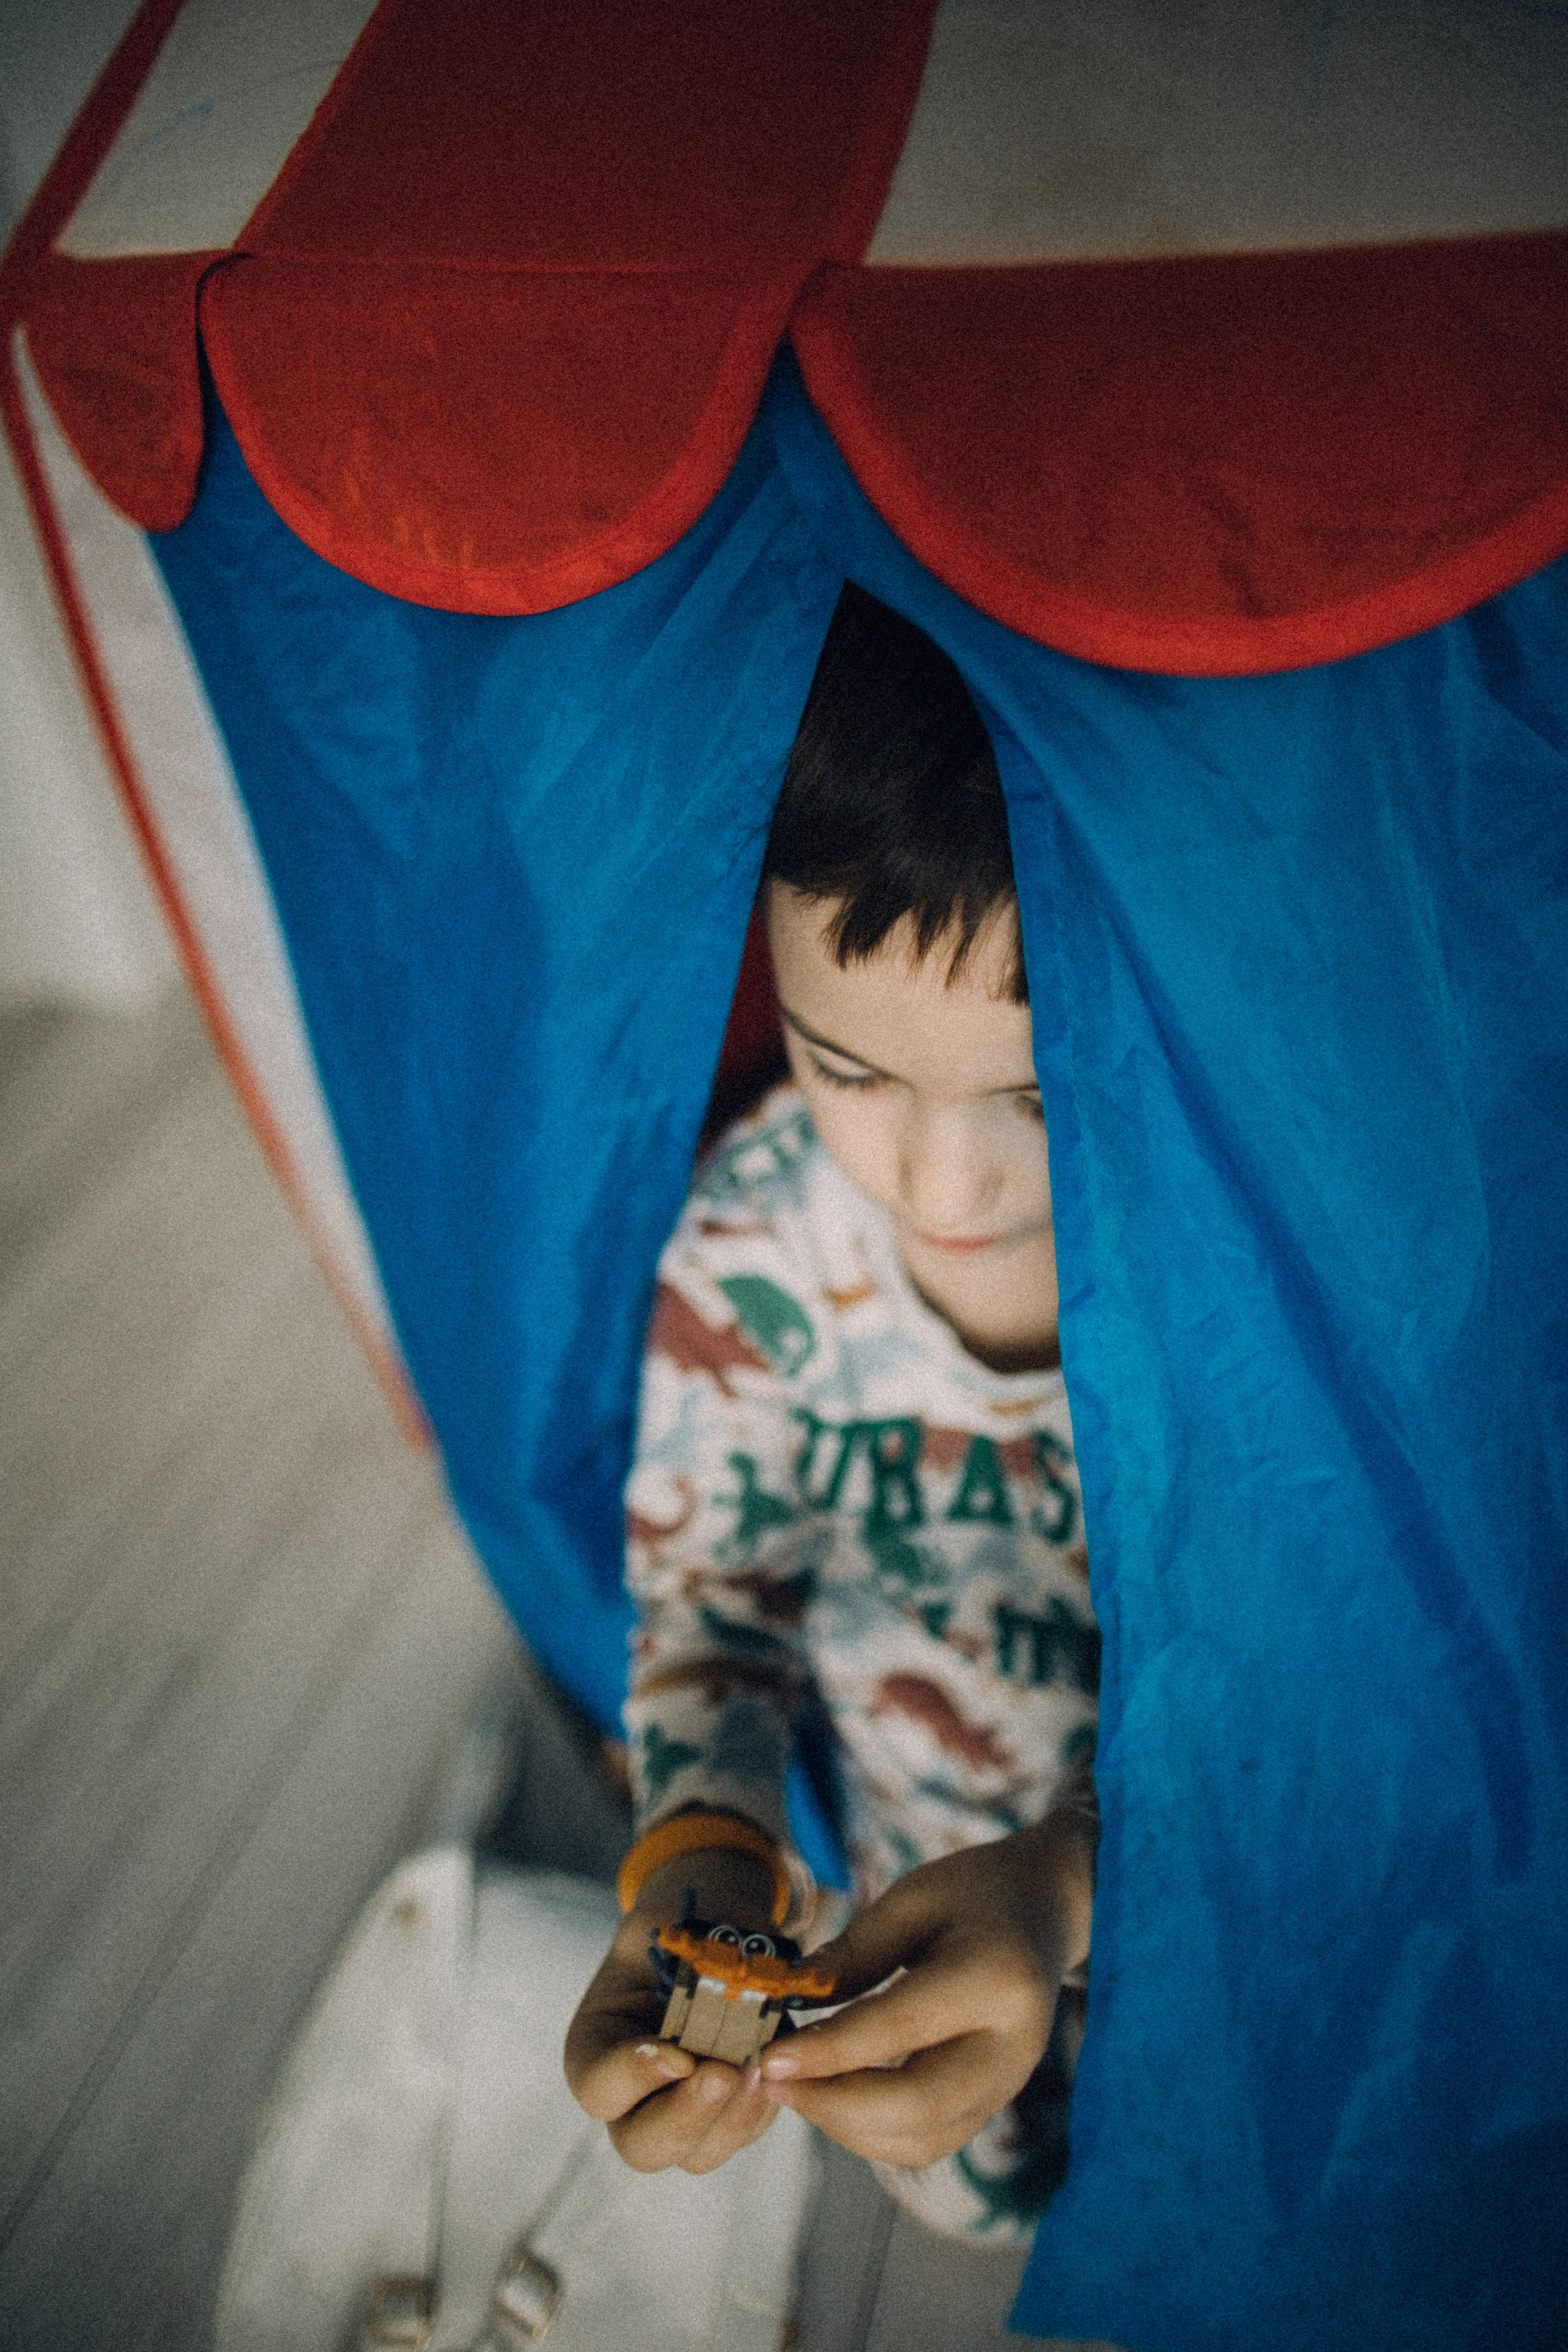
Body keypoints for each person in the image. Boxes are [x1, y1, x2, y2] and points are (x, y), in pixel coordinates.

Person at [564, 584, 1099, 2244]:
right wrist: (697, 1867)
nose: (944, 1184)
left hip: (1241, 1924)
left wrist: (1070, 1888)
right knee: (973, 2210)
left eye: (1037, 1093)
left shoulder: (1251, 1271)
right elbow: (712, 1589)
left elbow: (1355, 1697)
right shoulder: (758, 1235)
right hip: (899, 1909)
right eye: (847, 1066)